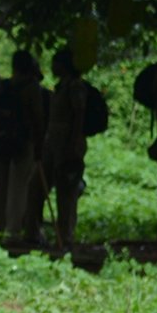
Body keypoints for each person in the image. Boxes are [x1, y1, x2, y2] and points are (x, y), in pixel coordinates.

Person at [0, 50, 47, 243]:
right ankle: (12, 232)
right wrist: (39, 145)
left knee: (0, 186)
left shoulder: (2, 86)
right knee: (18, 188)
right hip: (23, 142)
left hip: (2, 142)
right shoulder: (31, 88)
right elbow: (37, 119)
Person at [44, 50, 93, 250]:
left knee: (67, 192)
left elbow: (79, 114)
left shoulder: (75, 87)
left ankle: (66, 236)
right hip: (54, 144)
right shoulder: (61, 86)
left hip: (68, 145)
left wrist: (73, 143)